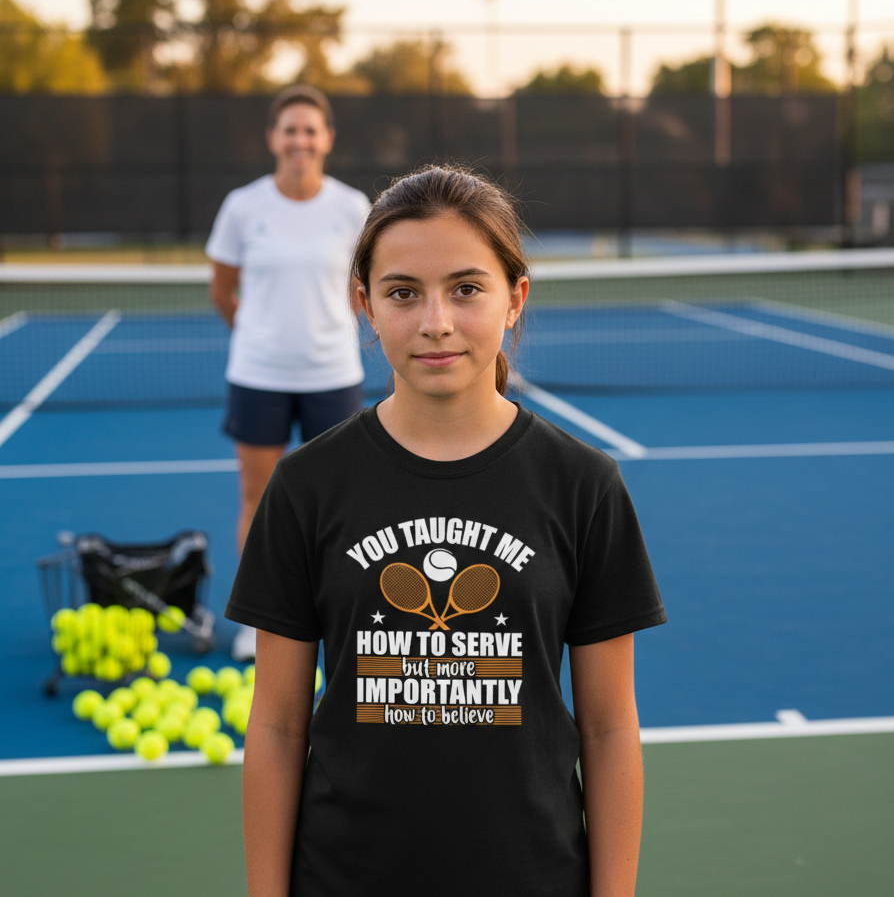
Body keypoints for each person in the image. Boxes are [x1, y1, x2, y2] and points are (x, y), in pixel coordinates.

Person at [226, 166, 666, 897]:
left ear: (515, 299)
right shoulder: (306, 486)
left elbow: (610, 728)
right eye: (403, 293)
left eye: (466, 289)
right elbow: (275, 726)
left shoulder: (583, 485)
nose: (436, 321)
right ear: (364, 305)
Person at [206, 85, 370, 661]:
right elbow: (223, 290)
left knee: (337, 503)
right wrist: (257, 337)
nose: (300, 140)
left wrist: (330, 332)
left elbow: (365, 286)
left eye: (310, 130)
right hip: (258, 376)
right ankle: (258, 622)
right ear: (273, 138)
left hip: (333, 376)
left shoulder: (352, 207)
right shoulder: (243, 206)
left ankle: (336, 615)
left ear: (327, 139)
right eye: (290, 130)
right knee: (259, 499)